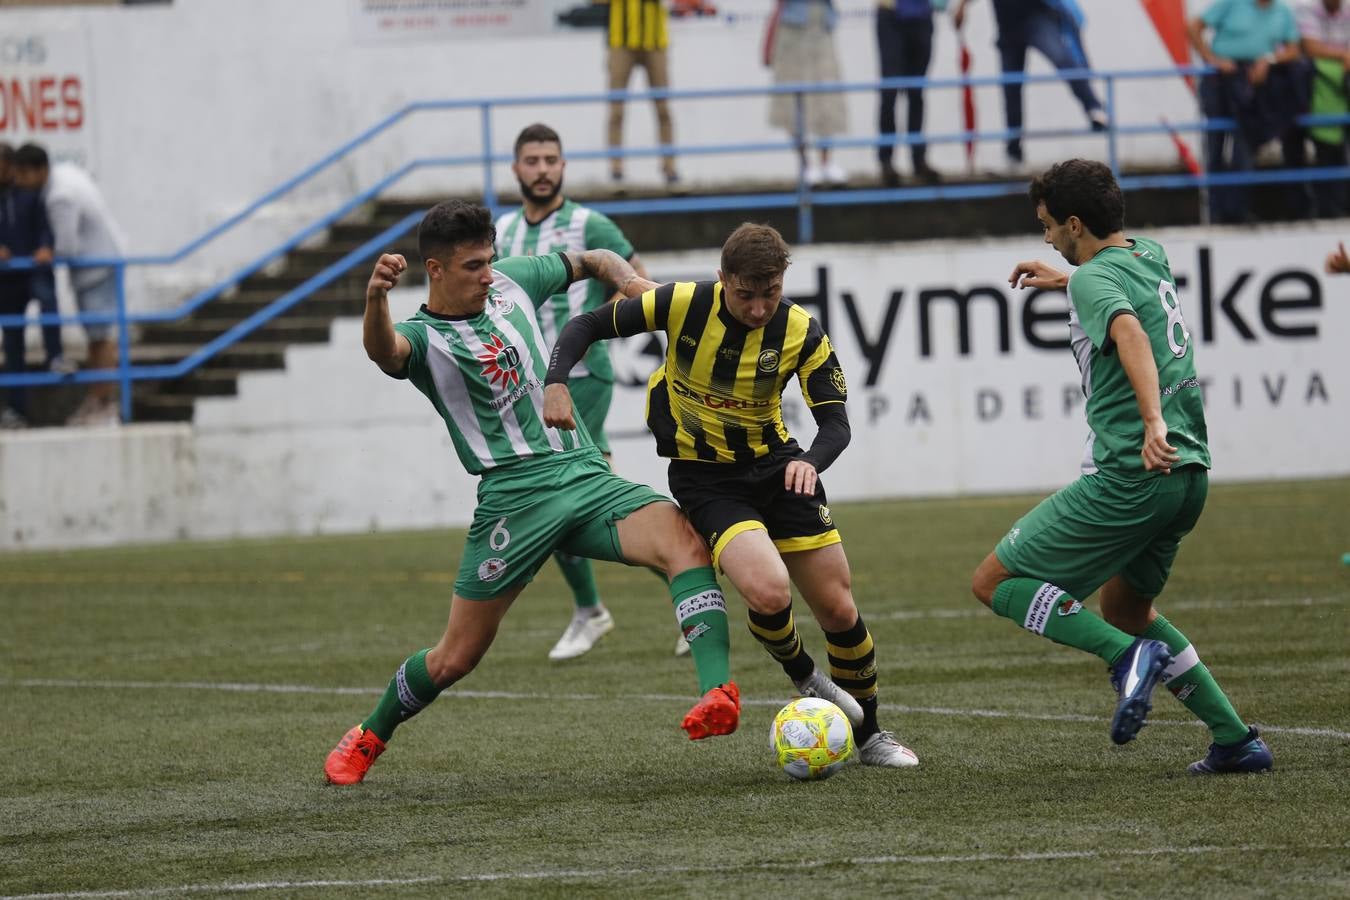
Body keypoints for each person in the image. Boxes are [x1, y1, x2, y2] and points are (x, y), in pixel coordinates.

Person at [323, 200, 740, 785]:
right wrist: (374, 300)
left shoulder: (512, 281)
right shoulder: (423, 339)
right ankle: (369, 735)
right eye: (472, 266)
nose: (487, 273)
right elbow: (383, 352)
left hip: (583, 471)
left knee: (685, 543)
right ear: (435, 270)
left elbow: (594, 258)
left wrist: (632, 282)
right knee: (455, 658)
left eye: (489, 260)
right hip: (514, 500)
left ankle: (717, 691)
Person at [543, 223, 921, 769]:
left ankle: (871, 737)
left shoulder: (801, 332)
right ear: (723, 281)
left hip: (777, 468)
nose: (760, 307)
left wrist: (808, 465)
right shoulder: (681, 304)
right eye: (747, 294)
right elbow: (584, 325)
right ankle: (805, 677)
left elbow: (835, 424)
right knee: (768, 592)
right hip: (706, 479)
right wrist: (556, 381)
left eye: (771, 293)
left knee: (839, 608)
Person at [971, 159, 1273, 774]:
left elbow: (1130, 330)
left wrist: (1152, 422)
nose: (1046, 237)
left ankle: (1123, 659)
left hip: (1132, 476)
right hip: (1189, 479)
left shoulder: (1094, 284)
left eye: (1050, 227)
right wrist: (1067, 280)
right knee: (1128, 609)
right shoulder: (1147, 254)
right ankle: (1236, 741)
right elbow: (1122, 293)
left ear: (1075, 223)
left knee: (994, 583)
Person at [495, 123, 688, 660]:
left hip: (582, 376)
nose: (541, 169)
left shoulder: (588, 223)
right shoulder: (503, 231)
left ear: (562, 166)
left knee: (571, 499)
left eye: (550, 159)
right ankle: (623, 601)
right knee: (561, 504)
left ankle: (675, 586)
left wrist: (600, 323)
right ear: (516, 168)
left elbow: (639, 283)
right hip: (525, 386)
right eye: (531, 160)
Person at [11, 144, 126, 426]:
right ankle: (98, 401)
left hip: (95, 270)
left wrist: (44, 254)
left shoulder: (58, 197)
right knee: (98, 337)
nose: (19, 182)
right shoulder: (66, 174)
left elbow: (67, 246)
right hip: (104, 262)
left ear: (40, 171)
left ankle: (105, 406)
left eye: (23, 175)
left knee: (101, 339)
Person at [952, 0, 1108, 171]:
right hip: (1008, 27)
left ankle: (1093, 107)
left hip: (1036, 18)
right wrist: (962, 7)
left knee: (1061, 58)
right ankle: (1013, 150)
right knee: (1011, 90)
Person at [1187, 0, 1305, 223]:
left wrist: (1269, 60)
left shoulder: (1282, 11)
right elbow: (1194, 26)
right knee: (1215, 145)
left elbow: (1293, 49)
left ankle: (1236, 212)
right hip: (1220, 79)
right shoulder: (1232, 3)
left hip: (1253, 82)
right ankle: (1215, 213)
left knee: (1246, 145)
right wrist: (1212, 59)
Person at [0, 143, 56, 429]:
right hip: (6, 282)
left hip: (32, 272)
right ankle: (16, 410)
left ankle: (55, 357)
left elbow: (45, 226)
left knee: (48, 303)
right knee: (13, 348)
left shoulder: (30, 194)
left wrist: (45, 247)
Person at [764, 0, 849, 187]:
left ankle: (826, 163)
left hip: (822, 24)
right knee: (790, 102)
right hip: (792, 27)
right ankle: (806, 165)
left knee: (828, 98)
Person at [605, 0, 681, 193]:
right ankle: (616, 169)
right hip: (620, 41)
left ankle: (669, 167)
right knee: (616, 109)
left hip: (655, 41)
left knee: (663, 108)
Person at [876, 0, 946, 186]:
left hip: (922, 15)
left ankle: (918, 159)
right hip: (891, 15)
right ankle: (886, 161)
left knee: (916, 91)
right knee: (890, 92)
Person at [1297, 0, 1350, 217]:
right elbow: (1310, 47)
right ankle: (1329, 210)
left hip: (1340, 99)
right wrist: (1343, 55)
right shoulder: (1307, 11)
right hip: (1320, 102)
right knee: (1327, 155)